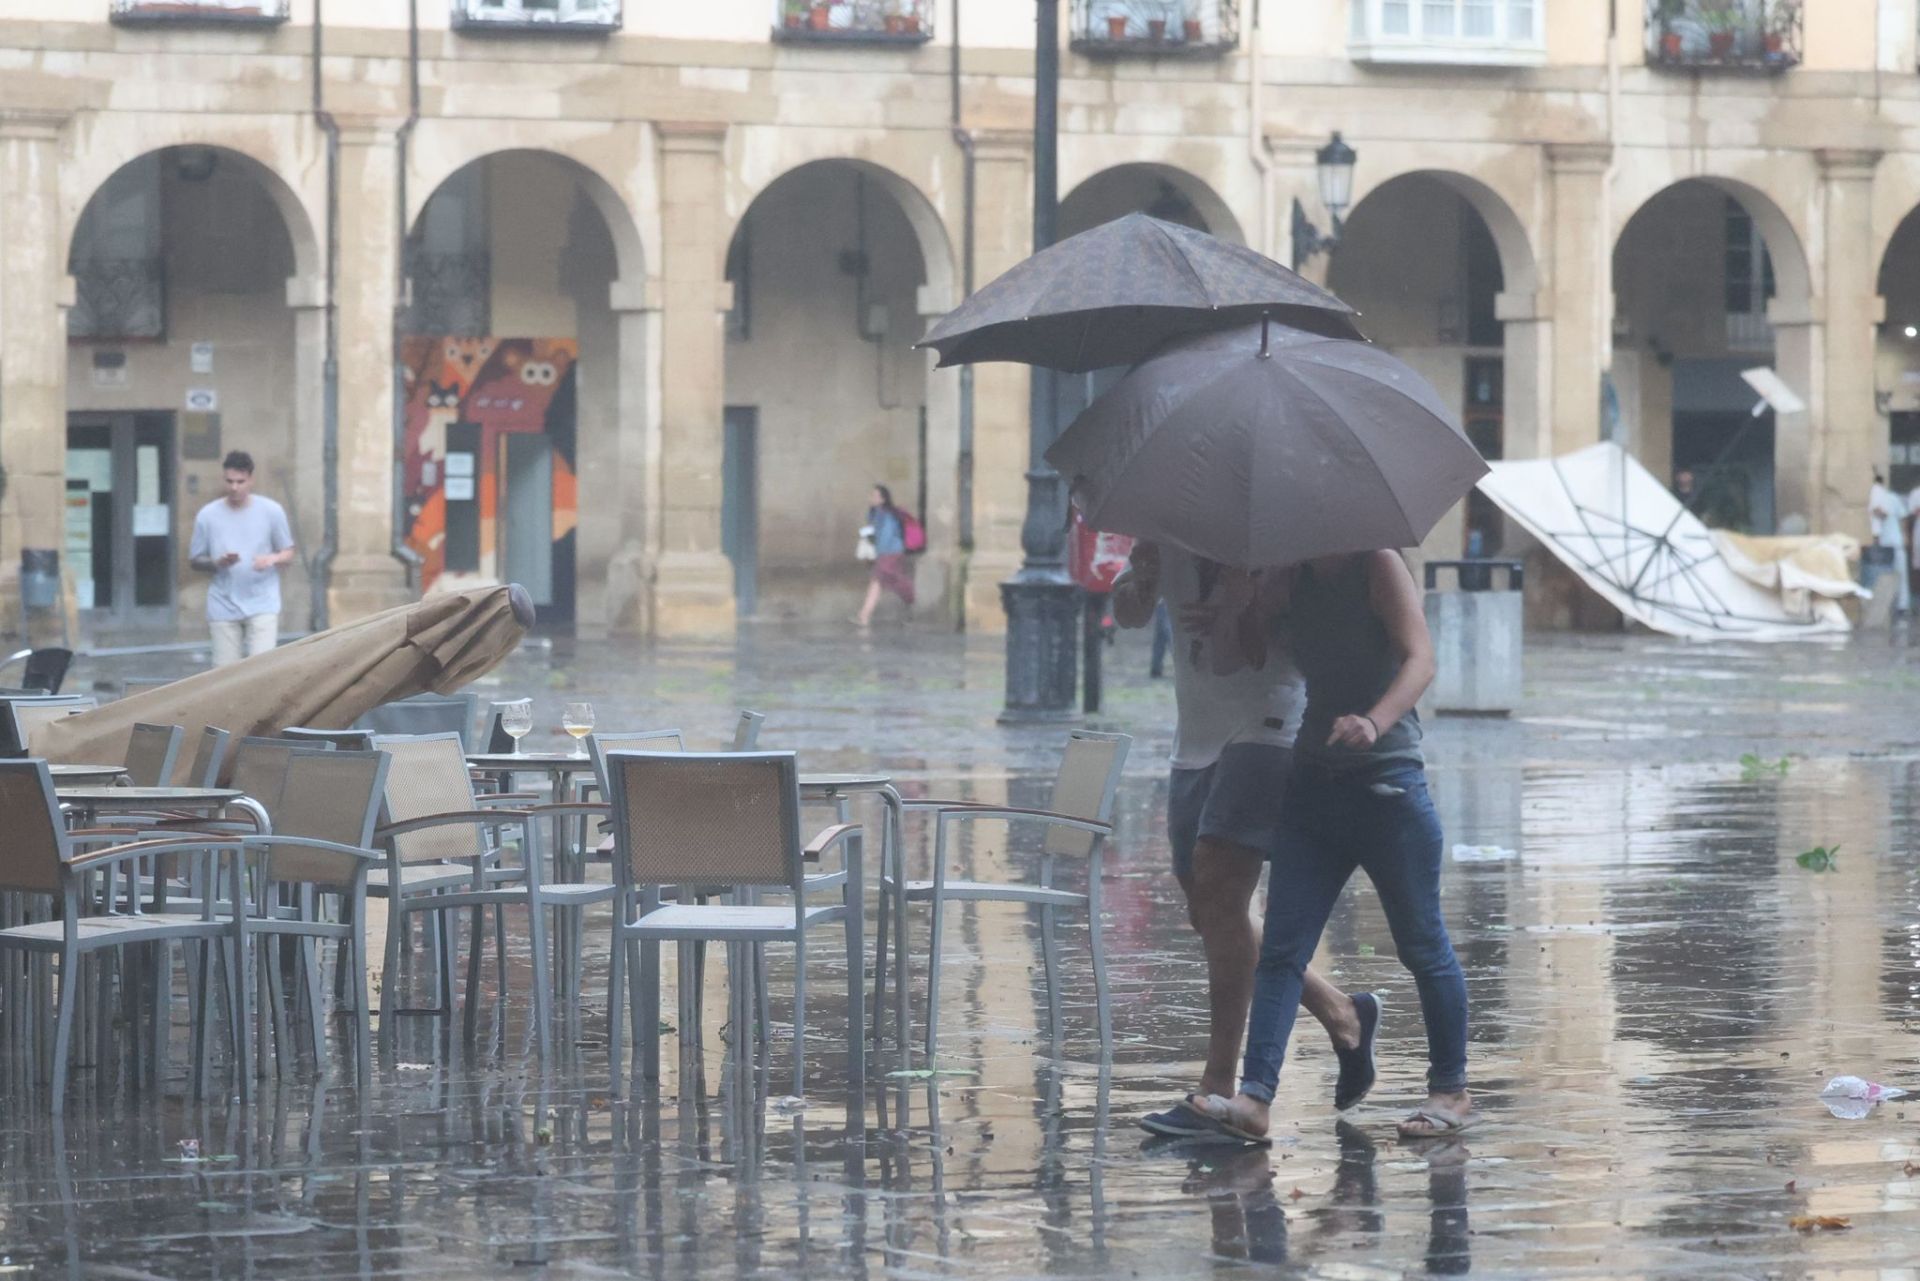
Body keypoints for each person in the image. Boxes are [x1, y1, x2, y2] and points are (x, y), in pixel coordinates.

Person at [1199, 549, 1472, 1144]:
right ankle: (1256, 1099)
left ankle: (1450, 1090)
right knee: (1281, 952)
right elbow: (1243, 656)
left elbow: (1421, 659)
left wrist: (1374, 722)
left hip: (1387, 788)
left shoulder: (1377, 564)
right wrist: (1247, 601)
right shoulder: (1287, 573)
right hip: (1312, 787)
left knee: (1422, 945)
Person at [1112, 540, 1379, 1138]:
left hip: (1269, 726)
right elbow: (1129, 613)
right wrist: (1139, 579)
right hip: (1195, 735)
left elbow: (1279, 648)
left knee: (1223, 890)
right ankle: (1343, 1013)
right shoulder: (1169, 525)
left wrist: (1249, 601)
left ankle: (1219, 1088)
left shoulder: (1273, 528)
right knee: (1208, 908)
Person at [189, 450, 295, 666]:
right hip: (223, 602)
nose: (234, 487)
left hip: (262, 601)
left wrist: (271, 560)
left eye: (240, 481)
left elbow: (288, 551)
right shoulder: (208, 515)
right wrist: (217, 562)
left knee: (261, 669)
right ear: (224, 479)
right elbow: (194, 560)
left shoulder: (271, 511)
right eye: (229, 481)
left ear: (251, 480)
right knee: (225, 673)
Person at [855, 484, 915, 628]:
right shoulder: (875, 513)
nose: (871, 498)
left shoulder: (887, 515)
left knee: (878, 580)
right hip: (887, 553)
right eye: (872, 495)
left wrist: (876, 552)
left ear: (883, 499)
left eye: (875, 495)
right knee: (883, 581)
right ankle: (909, 598)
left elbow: (886, 536)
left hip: (890, 553)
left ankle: (864, 615)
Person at [1868, 473, 1911, 616]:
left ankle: (1902, 605)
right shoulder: (1878, 498)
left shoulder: (1888, 498)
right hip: (1885, 544)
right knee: (1886, 575)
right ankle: (1889, 604)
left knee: (1900, 573)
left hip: (1894, 542)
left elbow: (1898, 515)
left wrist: (1905, 536)